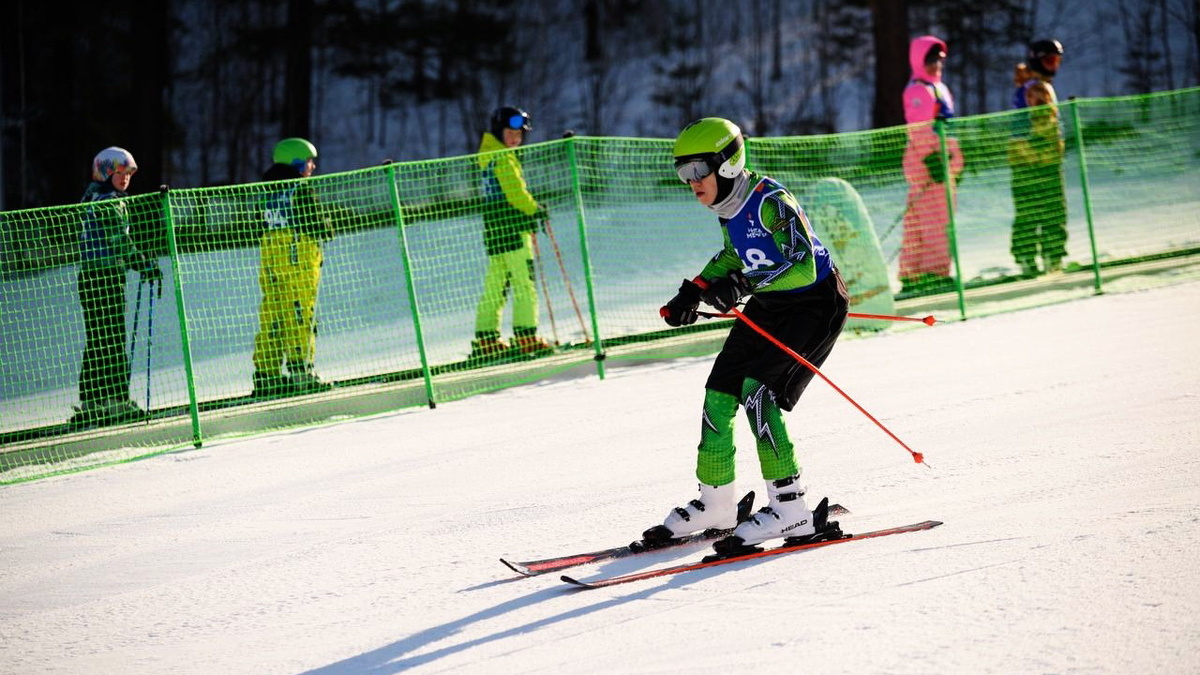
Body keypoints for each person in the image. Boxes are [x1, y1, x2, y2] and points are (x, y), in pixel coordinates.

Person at [653, 118, 850, 553]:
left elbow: (803, 262)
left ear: (726, 164)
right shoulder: (729, 208)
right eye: (682, 173)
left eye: (697, 171)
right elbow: (734, 254)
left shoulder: (770, 201)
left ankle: (791, 509)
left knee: (757, 392)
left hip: (814, 306)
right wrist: (696, 289)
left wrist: (741, 284)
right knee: (719, 392)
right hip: (770, 305)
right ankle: (717, 502)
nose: (691, 183)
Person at [71, 147, 161, 426]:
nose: (125, 179)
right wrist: (143, 263)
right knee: (111, 337)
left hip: (90, 276)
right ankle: (114, 400)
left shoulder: (92, 196)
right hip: (105, 276)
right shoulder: (107, 201)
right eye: (119, 173)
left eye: (129, 174)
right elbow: (117, 241)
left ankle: (93, 401)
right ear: (106, 172)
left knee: (99, 337)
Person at [251, 137, 334, 398]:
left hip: (272, 263)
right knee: (299, 313)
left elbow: (257, 225)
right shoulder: (300, 189)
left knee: (273, 314)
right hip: (298, 259)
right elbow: (318, 224)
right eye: (310, 162)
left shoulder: (268, 192)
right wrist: (328, 225)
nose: (312, 168)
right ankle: (301, 372)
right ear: (297, 163)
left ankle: (267, 375)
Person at [470, 106, 552, 360]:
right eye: (510, 133)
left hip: (494, 231)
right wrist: (534, 210)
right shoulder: (503, 158)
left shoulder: (488, 155)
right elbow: (515, 192)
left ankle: (486, 339)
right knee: (524, 283)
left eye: (519, 134)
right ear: (498, 131)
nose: (515, 139)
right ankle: (526, 337)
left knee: (496, 285)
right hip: (514, 229)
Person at [898, 35, 965, 295]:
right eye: (931, 59)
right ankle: (932, 273)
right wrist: (931, 159)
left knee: (922, 218)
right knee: (933, 221)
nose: (937, 64)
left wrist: (956, 160)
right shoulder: (918, 90)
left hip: (942, 161)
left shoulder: (939, 87)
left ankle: (913, 273)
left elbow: (946, 127)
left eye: (940, 59)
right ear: (919, 61)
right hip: (929, 165)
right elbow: (919, 129)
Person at [1009, 39, 1068, 278]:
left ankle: (1027, 256)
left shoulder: (1029, 85)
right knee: (1051, 210)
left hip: (1024, 161)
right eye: (1049, 60)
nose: (1054, 66)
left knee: (1028, 210)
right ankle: (1051, 257)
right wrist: (1056, 141)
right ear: (1037, 61)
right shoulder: (1038, 88)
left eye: (1057, 60)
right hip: (1040, 161)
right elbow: (1044, 123)